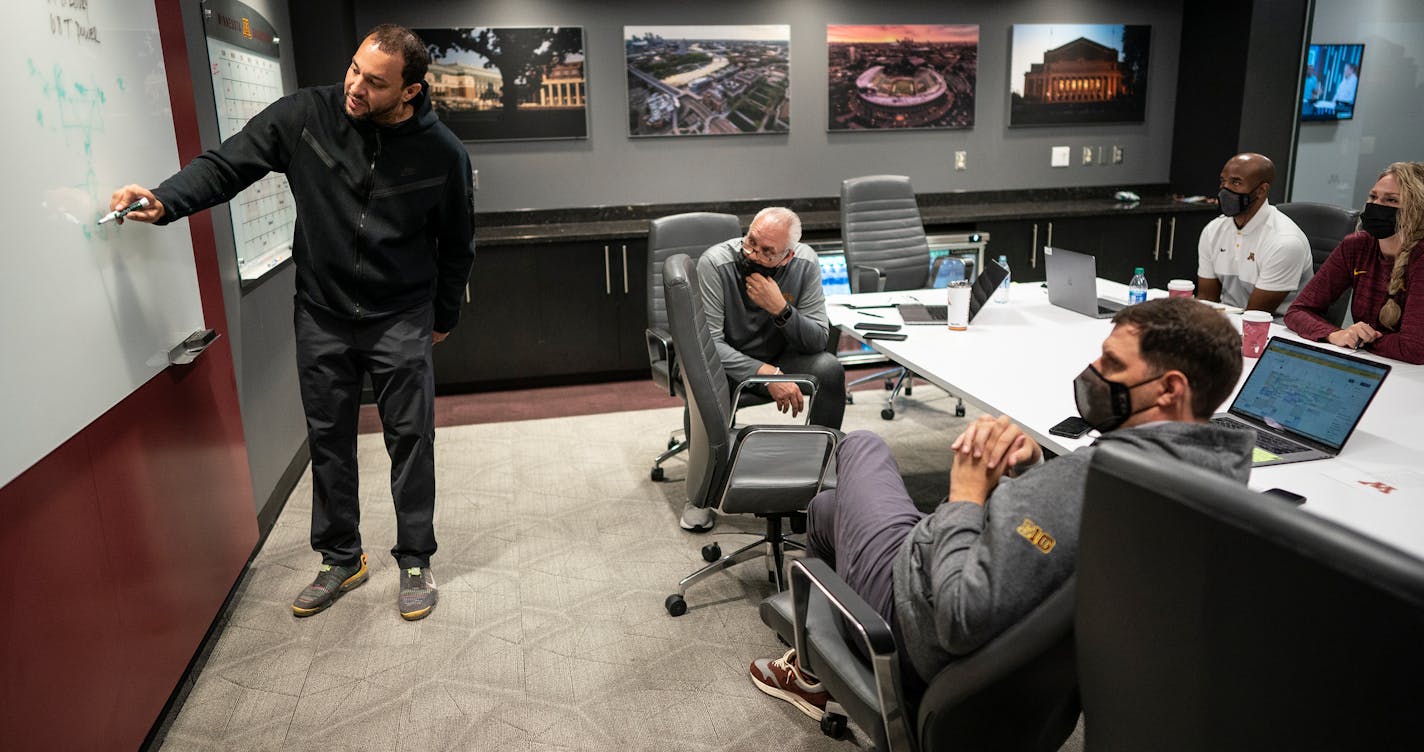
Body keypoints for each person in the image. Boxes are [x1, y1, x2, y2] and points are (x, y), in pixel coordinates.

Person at [107, 24, 475, 620]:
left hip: (400, 315)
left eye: (375, 82)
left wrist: (444, 315)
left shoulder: (443, 153)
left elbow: (458, 243)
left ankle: (414, 558)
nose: (355, 85)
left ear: (410, 92)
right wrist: (167, 198)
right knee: (328, 438)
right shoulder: (307, 115)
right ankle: (340, 557)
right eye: (355, 68)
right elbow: (228, 164)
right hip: (322, 312)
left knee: (411, 438)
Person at [748, 297, 1254, 721]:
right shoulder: (1214, 477)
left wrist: (966, 493)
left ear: (1170, 389)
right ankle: (812, 666)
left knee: (862, 446)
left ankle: (814, 671)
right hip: (1017, 667)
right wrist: (1032, 473)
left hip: (912, 628)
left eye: (1113, 365)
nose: (1092, 374)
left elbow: (958, 616)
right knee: (830, 507)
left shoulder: (1087, 484)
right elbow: (1051, 537)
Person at [682, 207, 845, 533]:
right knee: (708, 384)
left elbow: (818, 340)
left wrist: (781, 310)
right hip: (726, 366)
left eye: (766, 251)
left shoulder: (805, 264)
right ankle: (700, 496)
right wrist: (764, 373)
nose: (752, 253)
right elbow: (709, 345)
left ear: (787, 256)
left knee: (829, 369)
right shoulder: (716, 264)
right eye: (750, 241)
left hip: (780, 360)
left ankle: (815, 483)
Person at [1285, 162, 1424, 364]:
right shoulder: (1357, 246)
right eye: (1373, 197)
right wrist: (1336, 334)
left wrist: (1358, 340)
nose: (1377, 205)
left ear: (1417, 210)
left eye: (1391, 200)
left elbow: (1414, 348)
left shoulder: (1419, 258)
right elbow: (1298, 310)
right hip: (1372, 361)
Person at [1198, 153, 1314, 315]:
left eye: (1236, 182)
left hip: (1277, 329)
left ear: (1261, 190)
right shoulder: (1213, 230)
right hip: (1229, 322)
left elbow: (1257, 314)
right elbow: (1206, 300)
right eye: (1223, 182)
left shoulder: (1285, 241)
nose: (1225, 190)